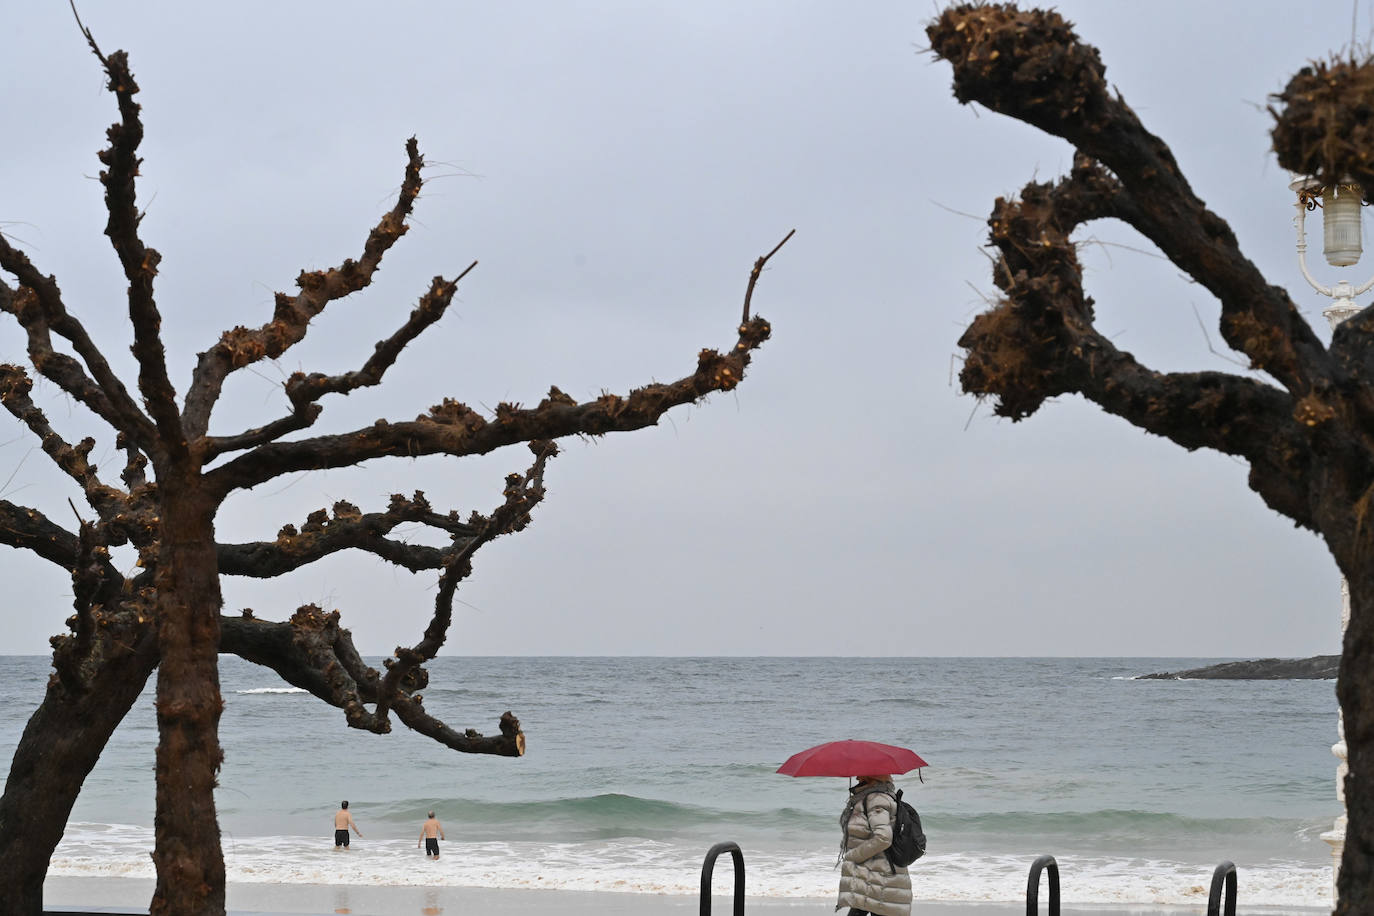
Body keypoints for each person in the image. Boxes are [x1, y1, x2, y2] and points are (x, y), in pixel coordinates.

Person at [835, 775, 912, 916]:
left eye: (861, 775)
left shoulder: (876, 800)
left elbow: (884, 837)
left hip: (881, 876)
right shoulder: (869, 798)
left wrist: (854, 856)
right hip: (870, 874)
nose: (857, 777)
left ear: (871, 777)